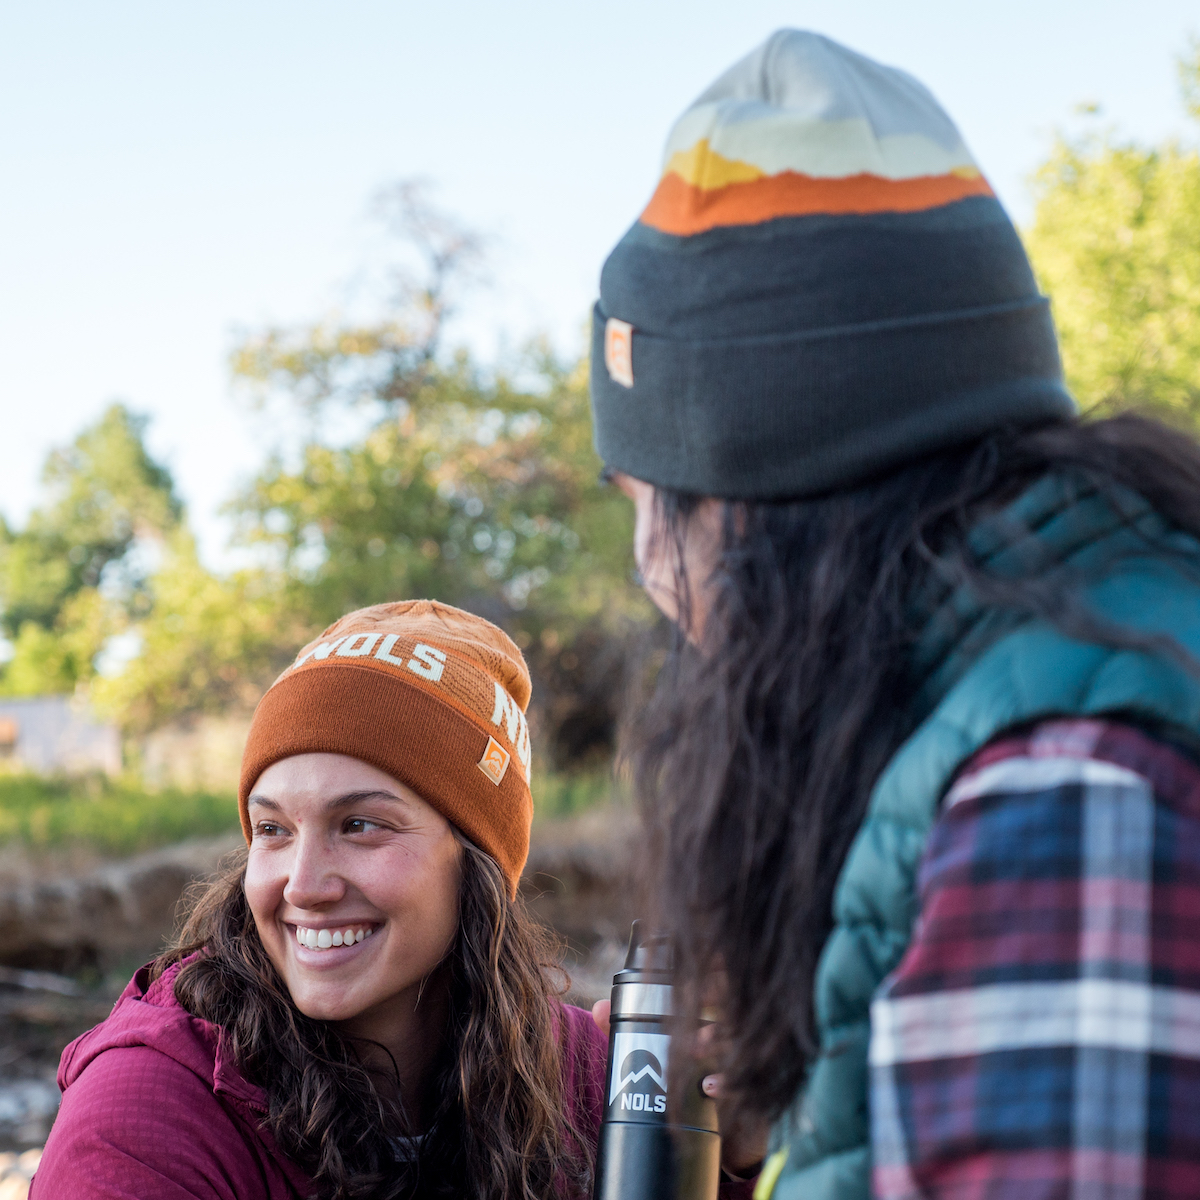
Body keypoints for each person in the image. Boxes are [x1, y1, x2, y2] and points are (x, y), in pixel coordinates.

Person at [590, 28, 1200, 1200]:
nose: (649, 572)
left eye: (650, 504)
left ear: (760, 500)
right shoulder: (1043, 696)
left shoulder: (1064, 806)